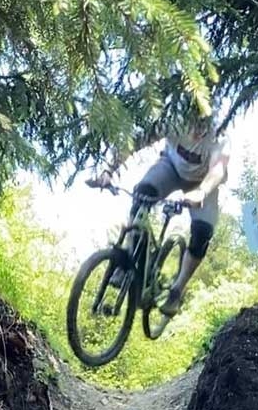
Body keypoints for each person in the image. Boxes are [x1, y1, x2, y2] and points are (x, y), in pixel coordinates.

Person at [88, 107, 231, 316]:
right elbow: (135, 141)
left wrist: (201, 192)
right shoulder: (173, 119)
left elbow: (218, 168)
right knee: (142, 194)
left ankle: (176, 291)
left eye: (202, 128)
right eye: (193, 125)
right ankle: (131, 261)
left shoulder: (220, 134)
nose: (196, 133)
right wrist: (108, 170)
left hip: (203, 183)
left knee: (202, 232)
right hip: (170, 168)